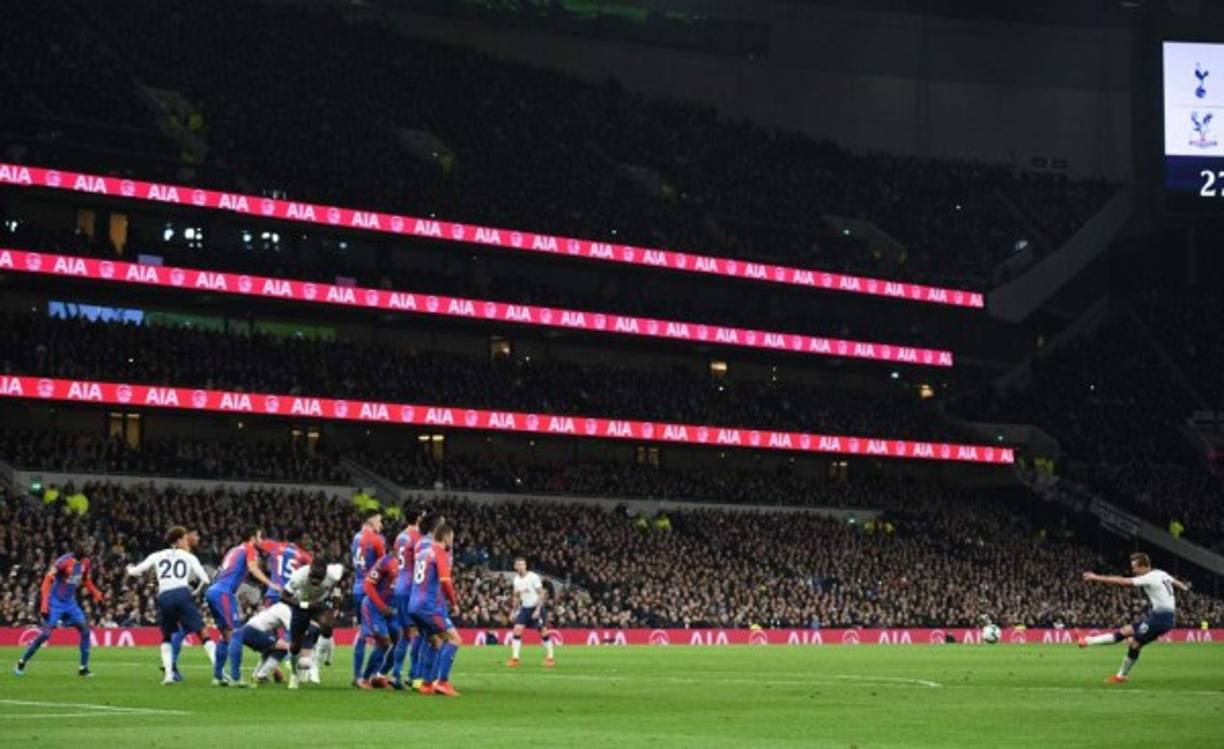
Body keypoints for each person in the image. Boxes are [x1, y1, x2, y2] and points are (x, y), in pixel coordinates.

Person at [1079, 552, 1189, 683]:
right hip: (1159, 617)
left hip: (1161, 618)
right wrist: (1185, 588)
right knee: (1125, 631)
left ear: (1143, 566)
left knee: (1134, 644)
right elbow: (1176, 582)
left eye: (1135, 567)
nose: (1133, 570)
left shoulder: (1148, 577)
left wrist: (1096, 577)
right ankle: (1087, 641)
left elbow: (1121, 581)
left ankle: (1120, 676)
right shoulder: (1160, 573)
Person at [126, 525, 215, 685]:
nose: (187, 540)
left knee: (167, 637)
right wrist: (196, 592)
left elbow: (136, 571)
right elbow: (206, 579)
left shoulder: (157, 555)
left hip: (164, 596)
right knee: (203, 632)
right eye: (185, 538)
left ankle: (168, 676)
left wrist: (129, 568)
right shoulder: (188, 556)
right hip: (182, 593)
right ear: (179, 540)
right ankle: (219, 671)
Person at [15, 540, 105, 677]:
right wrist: (45, 604)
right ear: (78, 550)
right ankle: (22, 662)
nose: (89, 551)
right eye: (86, 548)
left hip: (70, 603)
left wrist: (96, 593)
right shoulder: (63, 561)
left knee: (85, 631)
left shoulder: (86, 562)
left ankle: (83, 668)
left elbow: (86, 579)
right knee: (45, 634)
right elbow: (47, 581)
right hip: (55, 602)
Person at [205, 526, 277, 686]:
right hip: (223, 592)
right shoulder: (250, 548)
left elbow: (221, 572)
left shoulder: (233, 550)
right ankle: (236, 678)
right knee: (236, 634)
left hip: (213, 591)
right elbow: (253, 569)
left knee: (225, 636)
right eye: (259, 537)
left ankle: (218, 677)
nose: (261, 540)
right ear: (252, 538)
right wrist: (271, 583)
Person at [408, 523, 461, 697]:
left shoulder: (423, 553)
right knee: (454, 640)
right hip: (428, 606)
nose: (452, 542)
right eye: (452, 538)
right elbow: (446, 581)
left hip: (413, 605)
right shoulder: (440, 553)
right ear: (446, 538)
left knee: (435, 642)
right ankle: (443, 682)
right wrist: (454, 604)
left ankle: (427, 684)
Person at [281, 558, 345, 689]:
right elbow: (283, 596)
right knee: (295, 646)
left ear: (325, 574)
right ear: (309, 572)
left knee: (327, 626)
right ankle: (294, 675)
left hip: (320, 604)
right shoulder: (299, 576)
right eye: (313, 578)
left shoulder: (334, 573)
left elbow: (340, 580)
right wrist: (304, 604)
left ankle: (315, 665)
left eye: (319, 579)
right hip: (301, 605)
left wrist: (336, 597)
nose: (315, 582)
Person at [387, 507, 429, 689]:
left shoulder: (400, 536)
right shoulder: (418, 537)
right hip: (412, 587)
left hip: (399, 585)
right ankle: (414, 675)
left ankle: (397, 674)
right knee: (417, 633)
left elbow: (397, 559)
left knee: (406, 633)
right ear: (419, 518)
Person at [349, 509, 385, 685]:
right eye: (379, 521)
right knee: (381, 635)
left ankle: (358, 675)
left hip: (357, 588)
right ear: (371, 522)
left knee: (363, 632)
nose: (381, 525)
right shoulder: (377, 540)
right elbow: (383, 566)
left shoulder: (355, 539)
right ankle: (370, 674)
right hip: (371, 590)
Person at [226, 601, 293, 688]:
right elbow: (291, 629)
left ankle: (256, 676)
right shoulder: (285, 609)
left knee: (270, 649)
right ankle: (260, 676)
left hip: (249, 629)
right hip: (255, 630)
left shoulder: (278, 606)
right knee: (283, 648)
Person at [358, 552, 400, 689]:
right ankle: (364, 678)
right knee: (384, 642)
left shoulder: (408, 564)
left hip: (392, 609)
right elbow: (368, 585)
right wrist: (381, 607)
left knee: (399, 642)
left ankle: (380, 676)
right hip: (375, 608)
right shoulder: (384, 562)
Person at [507, 557, 554, 668]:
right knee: (517, 630)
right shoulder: (516, 580)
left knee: (543, 632)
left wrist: (538, 609)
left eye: (522, 564)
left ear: (526, 566)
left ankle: (550, 657)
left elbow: (541, 593)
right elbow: (517, 597)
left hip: (535, 607)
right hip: (525, 608)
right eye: (518, 564)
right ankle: (515, 658)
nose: (520, 566)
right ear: (515, 567)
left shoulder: (533, 577)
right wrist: (513, 611)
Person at [261, 528, 313, 607]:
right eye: (304, 539)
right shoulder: (305, 556)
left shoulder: (275, 545)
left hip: (272, 594)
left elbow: (256, 543)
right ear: (297, 540)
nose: (306, 542)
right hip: (289, 598)